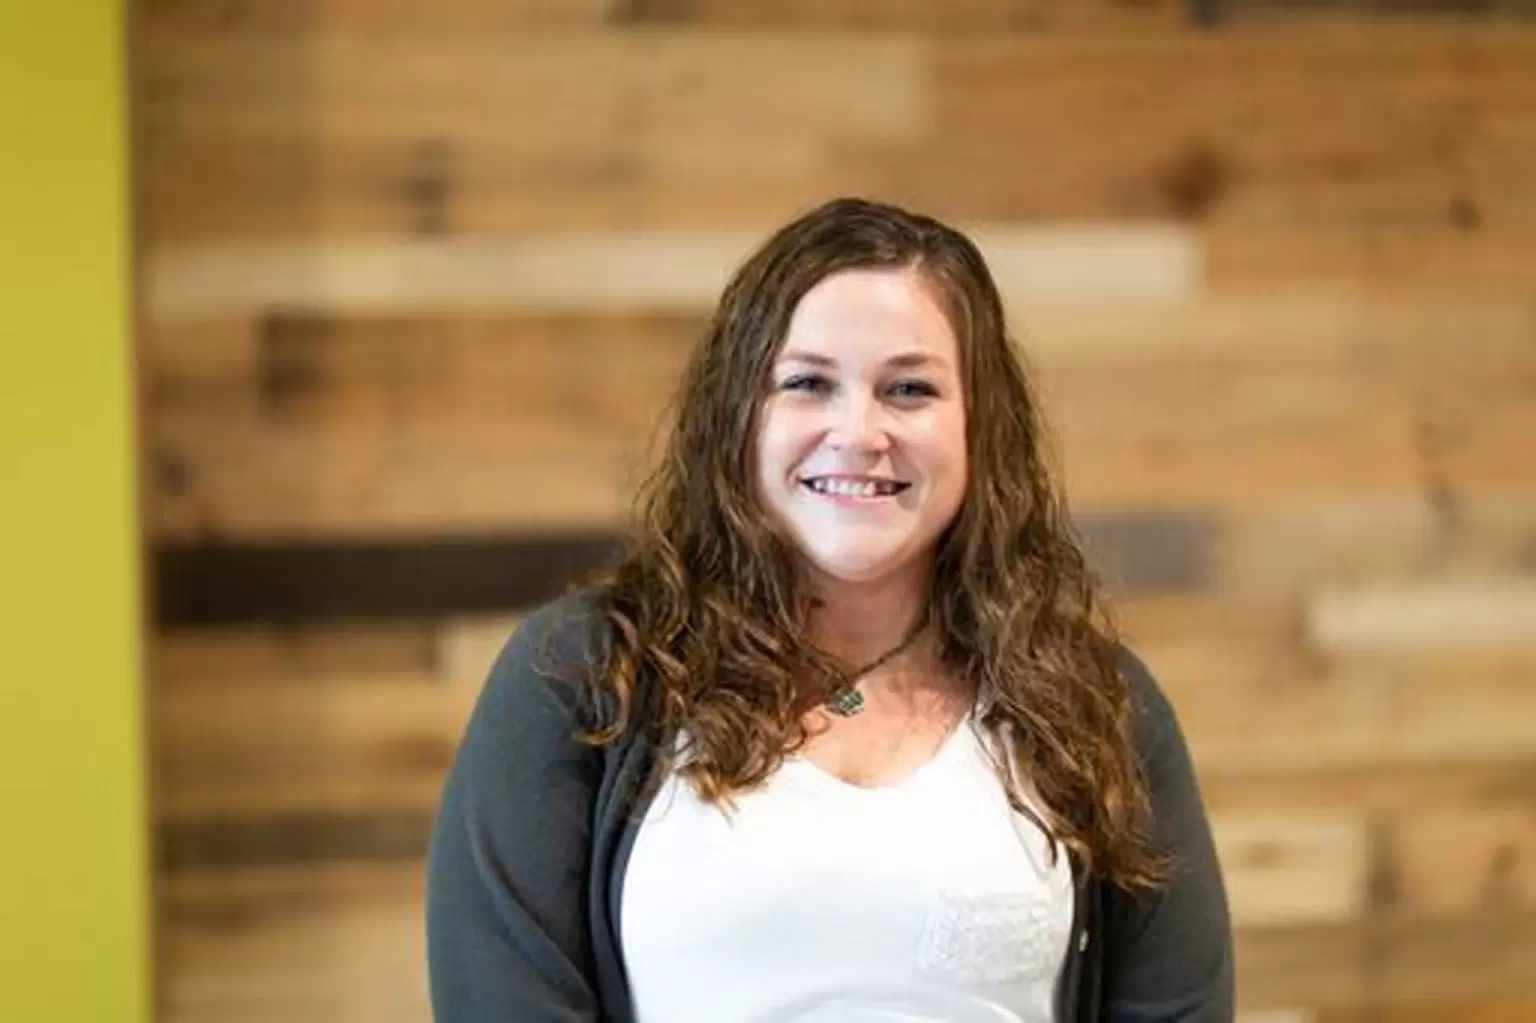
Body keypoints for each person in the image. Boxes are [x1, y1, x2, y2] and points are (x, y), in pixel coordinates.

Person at [424, 197, 1234, 1022]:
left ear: (980, 428)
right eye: (808, 383)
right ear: (738, 415)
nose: (860, 431)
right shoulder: (586, 674)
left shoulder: (1096, 701)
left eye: (909, 388)